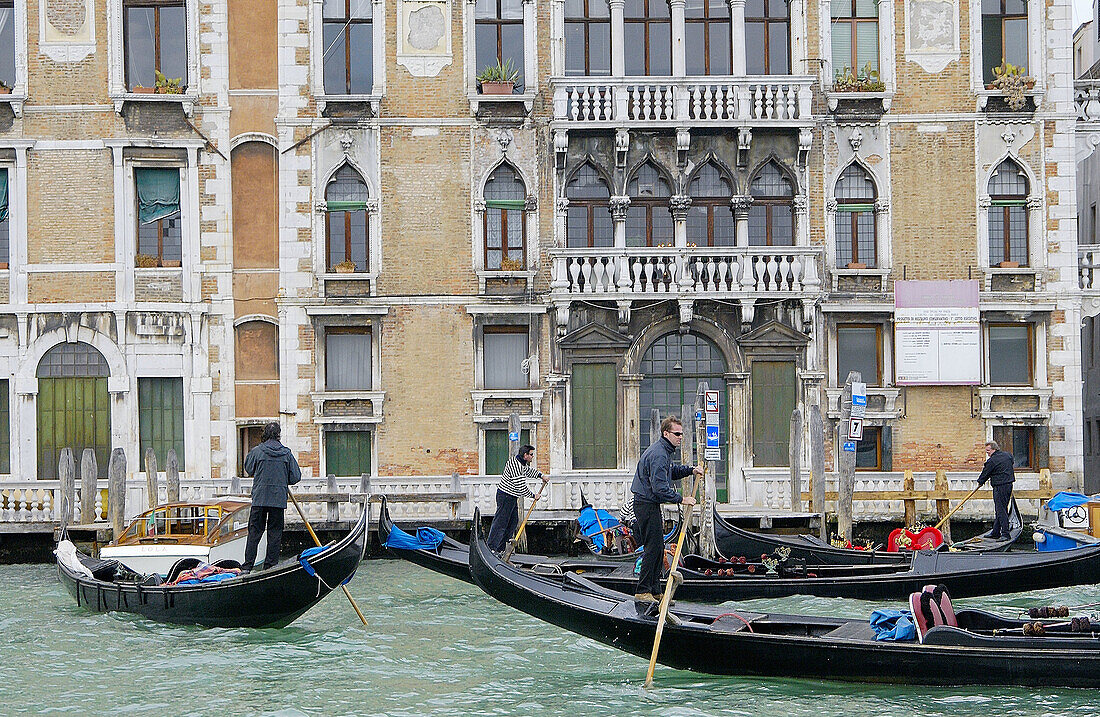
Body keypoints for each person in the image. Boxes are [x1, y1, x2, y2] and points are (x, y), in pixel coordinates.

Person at [631, 416, 701, 603]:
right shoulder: (659, 454)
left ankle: (654, 591)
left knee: (658, 548)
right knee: (653, 549)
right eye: (677, 434)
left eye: (682, 434)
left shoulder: (664, 451)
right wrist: (682, 499)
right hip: (645, 504)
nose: (680, 437)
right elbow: (659, 488)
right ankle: (643, 591)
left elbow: (672, 471)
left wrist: (691, 470)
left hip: (649, 503)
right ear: (666, 433)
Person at [241, 421, 302, 572]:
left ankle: (247, 566)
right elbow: (295, 477)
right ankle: (270, 567)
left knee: (254, 532)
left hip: (260, 499)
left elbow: (248, 469)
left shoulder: (256, 451)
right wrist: (282, 478)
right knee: (275, 533)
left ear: (265, 434)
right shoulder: (286, 453)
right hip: (277, 500)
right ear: (278, 435)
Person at [487, 444, 549, 553]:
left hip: (512, 497)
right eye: (531, 454)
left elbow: (528, 471)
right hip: (505, 496)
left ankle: (501, 549)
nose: (532, 456)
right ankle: (491, 548)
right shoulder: (515, 465)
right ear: (525, 455)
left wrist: (541, 475)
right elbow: (520, 486)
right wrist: (533, 496)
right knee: (501, 523)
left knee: (512, 522)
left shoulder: (522, 463)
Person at [977, 439, 1016, 540]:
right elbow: (1011, 462)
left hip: (999, 486)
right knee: (1001, 508)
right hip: (1009, 485)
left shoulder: (992, 461)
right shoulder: (1008, 455)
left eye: (988, 451)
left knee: (1001, 510)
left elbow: (986, 472)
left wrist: (980, 481)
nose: (987, 453)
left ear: (994, 449)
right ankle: (995, 532)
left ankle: (1005, 534)